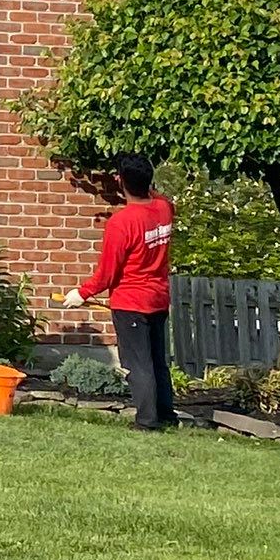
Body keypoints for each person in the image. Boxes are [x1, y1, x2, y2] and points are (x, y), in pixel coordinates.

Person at [63, 153, 176, 430]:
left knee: (138, 364)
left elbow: (107, 273)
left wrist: (82, 293)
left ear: (119, 181)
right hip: (158, 298)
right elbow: (153, 193)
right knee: (157, 361)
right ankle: (166, 414)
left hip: (131, 302)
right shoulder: (164, 208)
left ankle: (147, 422)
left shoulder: (121, 223)